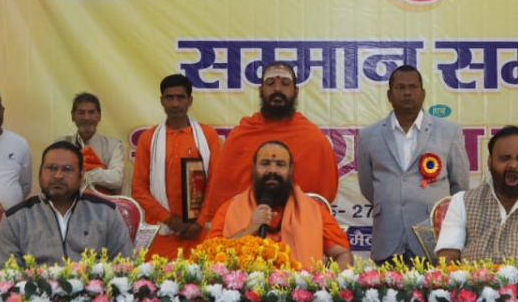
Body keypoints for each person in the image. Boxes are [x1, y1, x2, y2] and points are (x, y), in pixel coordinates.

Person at [198, 62, 339, 229]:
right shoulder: (241, 137)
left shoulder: (313, 140)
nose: (277, 89)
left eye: (285, 84)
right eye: (270, 83)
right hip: (245, 232)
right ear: (261, 90)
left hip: (298, 230)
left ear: (295, 91)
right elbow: (222, 196)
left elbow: (321, 199)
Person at [356, 64, 470, 261]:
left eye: (413, 87)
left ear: (423, 93)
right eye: (400, 87)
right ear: (389, 95)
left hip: (434, 239)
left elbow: (459, 186)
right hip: (388, 239)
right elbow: (368, 186)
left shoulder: (448, 132)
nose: (407, 92)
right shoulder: (369, 135)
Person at [435, 126, 518, 265]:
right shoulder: (462, 201)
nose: (513, 165)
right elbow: (447, 257)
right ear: (489, 162)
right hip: (471, 278)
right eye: (504, 158)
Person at [211, 141, 352, 270]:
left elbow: (343, 254)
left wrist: (329, 285)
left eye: (280, 164)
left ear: (291, 169)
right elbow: (207, 256)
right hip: (244, 288)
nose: (273, 170)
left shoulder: (314, 211)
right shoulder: (230, 209)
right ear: (253, 168)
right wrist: (248, 231)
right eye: (265, 163)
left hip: (299, 288)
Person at [0, 141, 132, 266]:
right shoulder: (15, 219)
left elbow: (124, 268)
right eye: (52, 168)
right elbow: (7, 277)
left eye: (67, 169)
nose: (58, 175)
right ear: (40, 172)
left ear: (81, 175)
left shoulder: (106, 213)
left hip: (93, 285)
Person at [131, 74, 222, 258]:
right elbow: (139, 189)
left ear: (190, 100)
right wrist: (170, 220)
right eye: (169, 97)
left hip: (200, 232)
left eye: (180, 97)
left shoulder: (208, 135)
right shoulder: (149, 139)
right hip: (162, 232)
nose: (175, 104)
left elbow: (216, 184)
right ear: (162, 101)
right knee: (157, 276)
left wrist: (199, 222)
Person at [65, 92, 125, 195]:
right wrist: (102, 172)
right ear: (73, 115)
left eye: (91, 112)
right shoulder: (61, 145)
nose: (86, 117)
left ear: (99, 116)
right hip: (68, 203)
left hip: (103, 203)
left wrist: (81, 174)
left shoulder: (114, 146)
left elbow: (117, 179)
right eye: (81, 112)